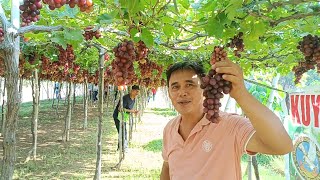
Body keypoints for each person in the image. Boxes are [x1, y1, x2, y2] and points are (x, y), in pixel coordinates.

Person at [160, 60, 293, 180]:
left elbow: (282, 146)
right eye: (175, 87)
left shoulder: (230, 125)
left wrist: (241, 94)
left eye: (190, 85)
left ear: (204, 89)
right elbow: (167, 166)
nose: (182, 92)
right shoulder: (170, 128)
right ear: (169, 93)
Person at [113, 85, 140, 152]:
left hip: (124, 117)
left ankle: (120, 147)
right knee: (122, 131)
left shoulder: (134, 99)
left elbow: (128, 109)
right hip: (118, 116)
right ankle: (124, 147)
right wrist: (131, 111)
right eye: (136, 91)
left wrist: (134, 111)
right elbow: (120, 109)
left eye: (138, 92)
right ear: (132, 91)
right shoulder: (125, 98)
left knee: (123, 131)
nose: (137, 93)